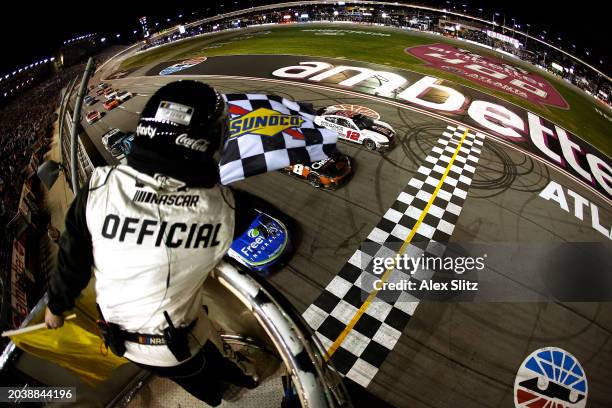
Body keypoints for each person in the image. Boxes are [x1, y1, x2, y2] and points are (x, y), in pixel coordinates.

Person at [45, 81, 259, 406]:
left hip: (122, 344)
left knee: (200, 387)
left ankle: (218, 398)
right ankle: (246, 380)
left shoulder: (97, 187)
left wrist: (57, 307)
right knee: (225, 366)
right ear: (208, 141)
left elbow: (71, 260)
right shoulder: (228, 209)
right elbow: (245, 216)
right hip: (183, 342)